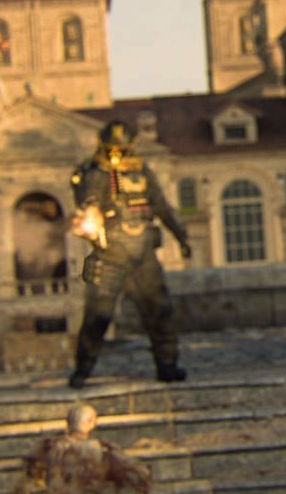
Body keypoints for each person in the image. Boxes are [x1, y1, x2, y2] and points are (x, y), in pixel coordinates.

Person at [67, 121, 192, 388]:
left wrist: (181, 236)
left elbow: (161, 206)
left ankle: (167, 364)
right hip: (111, 254)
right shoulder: (95, 172)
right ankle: (83, 368)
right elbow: (87, 200)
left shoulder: (141, 172)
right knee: (98, 315)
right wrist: (90, 210)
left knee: (159, 311)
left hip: (143, 254)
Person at [15, 403, 153, 494]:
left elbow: (22, 485)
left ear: (68, 423)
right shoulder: (101, 448)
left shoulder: (53, 447)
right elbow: (140, 472)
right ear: (91, 422)